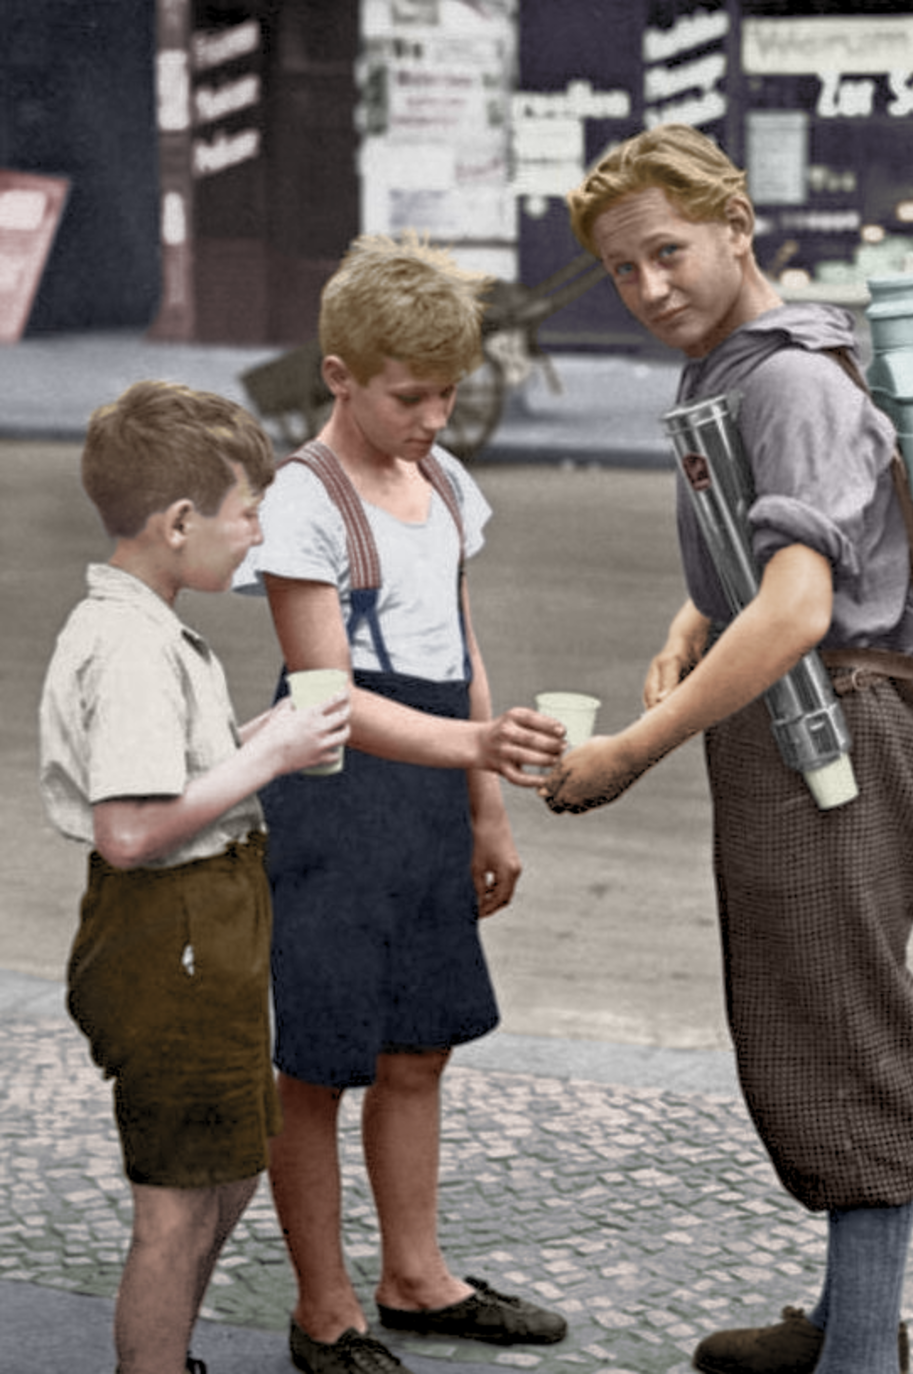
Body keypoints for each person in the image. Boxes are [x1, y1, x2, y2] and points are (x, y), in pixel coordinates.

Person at [543, 124, 913, 1374]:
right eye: (623, 270)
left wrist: (632, 751)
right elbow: (762, 556)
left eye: (668, 252)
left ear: (738, 226)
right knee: (806, 1014)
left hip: (838, 732)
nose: (650, 287)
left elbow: (800, 606)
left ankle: (863, 1352)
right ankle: (844, 1319)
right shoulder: (725, 369)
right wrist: (689, 617)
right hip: (792, 728)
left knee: (846, 1028)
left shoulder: (789, 380)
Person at [231, 232, 568, 1374]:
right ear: (339, 377)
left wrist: (486, 804)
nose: (434, 416)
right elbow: (325, 697)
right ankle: (324, 1305)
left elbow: (459, 645)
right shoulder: (302, 503)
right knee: (321, 1061)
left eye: (451, 394)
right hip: (334, 800)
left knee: (421, 1046)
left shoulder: (442, 481)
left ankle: (415, 1275)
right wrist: (472, 742)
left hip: (429, 795)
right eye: (409, 395)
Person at [38, 380, 352, 1374]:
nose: (256, 536)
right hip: (170, 930)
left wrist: (262, 736)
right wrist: (270, 761)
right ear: (179, 522)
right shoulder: (133, 646)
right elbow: (130, 831)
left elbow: (168, 772)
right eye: (245, 512)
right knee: (177, 1208)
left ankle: (167, 1356)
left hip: (197, 929)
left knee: (223, 1169)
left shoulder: (147, 626)